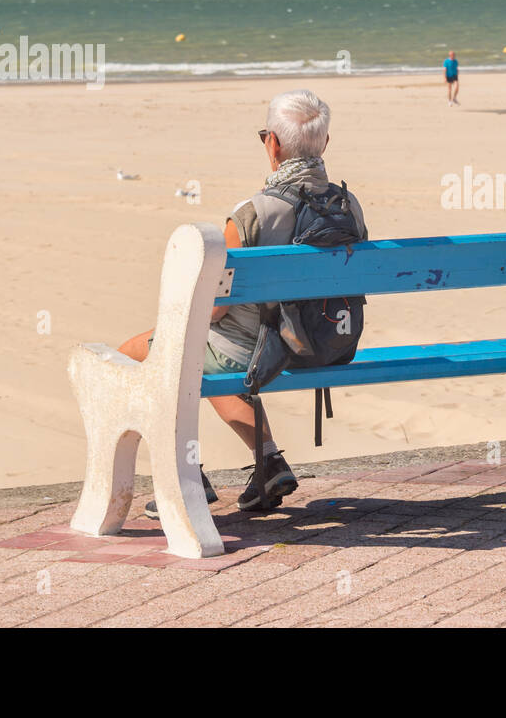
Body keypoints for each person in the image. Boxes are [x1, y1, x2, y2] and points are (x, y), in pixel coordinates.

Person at [118, 89, 368, 517]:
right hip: (325, 346)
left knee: (138, 355)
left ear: (272, 143)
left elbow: (214, 310)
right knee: (211, 355)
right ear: (324, 144)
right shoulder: (349, 206)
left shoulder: (251, 215)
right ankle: (268, 461)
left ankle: (184, 476)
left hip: (259, 351)